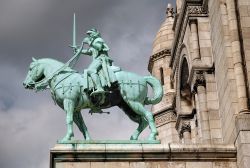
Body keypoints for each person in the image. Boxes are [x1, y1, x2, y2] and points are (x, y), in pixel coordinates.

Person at [76, 28, 114, 96]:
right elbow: (89, 52)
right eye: (88, 34)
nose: (89, 36)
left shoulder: (98, 40)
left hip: (102, 59)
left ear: (94, 33)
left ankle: (99, 88)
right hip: (98, 59)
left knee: (90, 70)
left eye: (90, 34)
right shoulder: (93, 42)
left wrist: (89, 42)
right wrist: (78, 50)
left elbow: (99, 47)